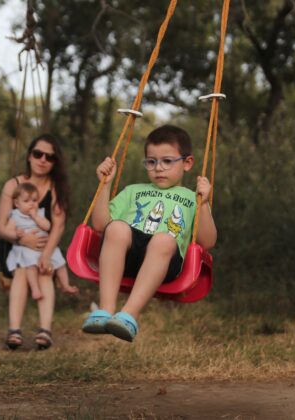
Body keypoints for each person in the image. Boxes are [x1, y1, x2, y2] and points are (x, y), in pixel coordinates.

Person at [82, 125, 217, 342]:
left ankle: (129, 315)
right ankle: (105, 310)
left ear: (187, 163)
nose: (158, 168)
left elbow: (208, 242)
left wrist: (203, 204)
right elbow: (100, 226)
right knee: (116, 228)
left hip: (165, 260)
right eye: (151, 161)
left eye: (167, 161)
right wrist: (104, 186)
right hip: (128, 256)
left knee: (163, 239)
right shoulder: (133, 191)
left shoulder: (193, 198)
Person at [0, 134, 77, 350]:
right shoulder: (13, 185)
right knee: (23, 271)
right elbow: (1, 228)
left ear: (54, 162)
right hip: (15, 247)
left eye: (49, 157)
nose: (43, 159)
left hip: (47, 248)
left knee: (45, 272)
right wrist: (23, 238)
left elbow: (58, 226)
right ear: (29, 156)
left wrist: (45, 255)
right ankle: (14, 330)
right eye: (38, 154)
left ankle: (45, 331)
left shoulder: (55, 188)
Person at [5, 182, 68, 301]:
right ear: (17, 203)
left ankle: (65, 284)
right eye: (26, 201)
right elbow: (7, 231)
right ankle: (35, 289)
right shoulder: (15, 216)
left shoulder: (39, 213)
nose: (31, 204)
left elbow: (47, 226)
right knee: (30, 265)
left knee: (59, 259)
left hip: (45, 247)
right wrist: (16, 234)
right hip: (28, 248)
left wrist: (35, 217)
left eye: (34, 200)